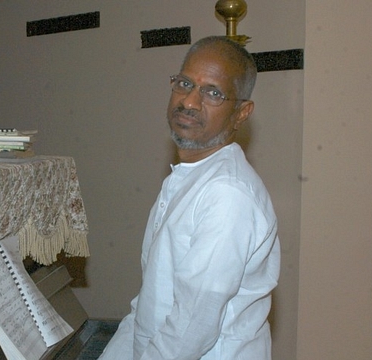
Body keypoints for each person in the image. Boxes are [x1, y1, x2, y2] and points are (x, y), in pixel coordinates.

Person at [99, 36, 281, 360]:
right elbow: (147, 308)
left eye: (212, 92)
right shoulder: (188, 177)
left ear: (241, 112)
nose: (190, 102)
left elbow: (189, 333)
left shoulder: (227, 195)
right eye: (185, 83)